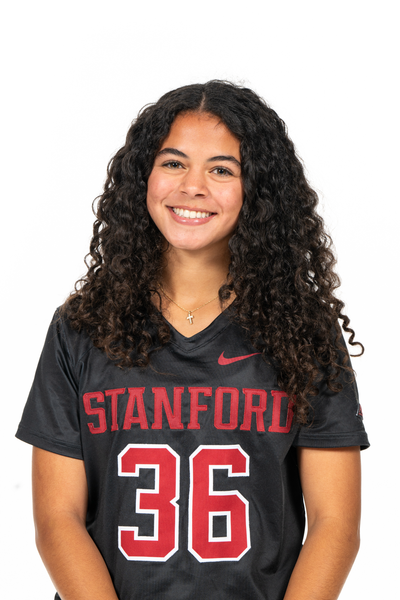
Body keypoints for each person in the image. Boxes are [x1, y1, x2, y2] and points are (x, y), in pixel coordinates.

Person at [16, 80, 369, 600]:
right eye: (173, 163)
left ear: (257, 190)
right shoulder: (82, 327)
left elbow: (334, 524)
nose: (192, 186)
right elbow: (57, 519)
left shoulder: (304, 332)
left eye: (222, 170)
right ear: (144, 175)